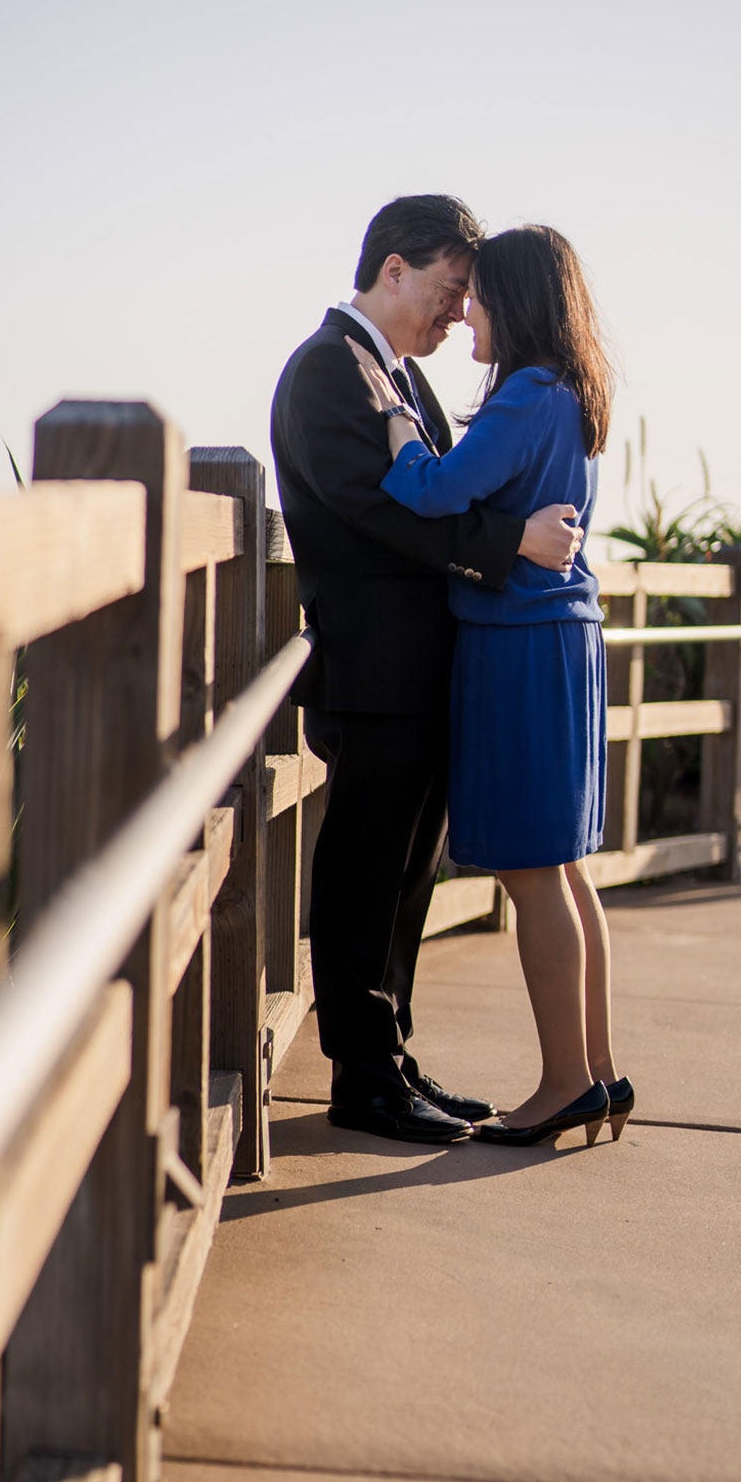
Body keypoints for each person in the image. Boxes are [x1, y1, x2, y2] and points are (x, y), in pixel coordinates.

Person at [270, 196, 585, 1146]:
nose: (460, 314)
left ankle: (393, 1058)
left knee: (410, 872)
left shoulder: (396, 376)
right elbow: (381, 509)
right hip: (375, 669)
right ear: (394, 269)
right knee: (368, 867)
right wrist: (511, 543)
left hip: (423, 668)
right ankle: (360, 1076)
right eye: (450, 291)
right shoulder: (332, 370)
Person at [360, 223, 630, 1146]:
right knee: (563, 866)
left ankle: (561, 1083)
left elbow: (433, 491)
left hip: (520, 645)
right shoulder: (571, 395)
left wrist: (399, 430)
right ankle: (594, 1072)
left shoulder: (524, 395)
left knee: (529, 870)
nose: (465, 308)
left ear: (514, 301)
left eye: (479, 294)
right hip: (566, 639)